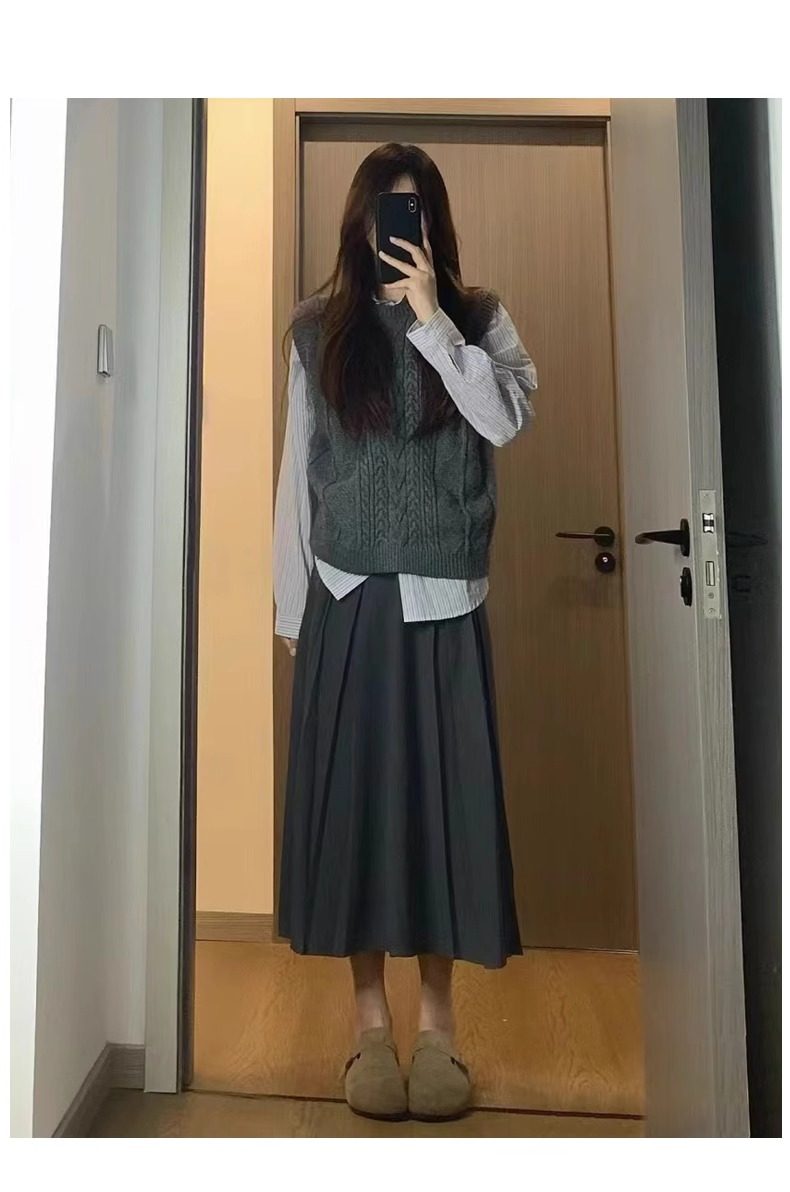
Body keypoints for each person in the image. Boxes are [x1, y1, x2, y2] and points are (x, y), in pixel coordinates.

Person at [272, 141, 538, 1122]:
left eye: (414, 209)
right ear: (357, 223)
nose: (399, 226)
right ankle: (369, 1029)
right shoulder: (316, 331)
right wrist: (290, 610)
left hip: (445, 607)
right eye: (385, 210)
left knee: (438, 819)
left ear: (435, 222)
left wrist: (431, 321)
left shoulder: (480, 318)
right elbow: (297, 476)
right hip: (346, 599)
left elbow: (504, 420)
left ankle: (438, 1031)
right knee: (357, 819)